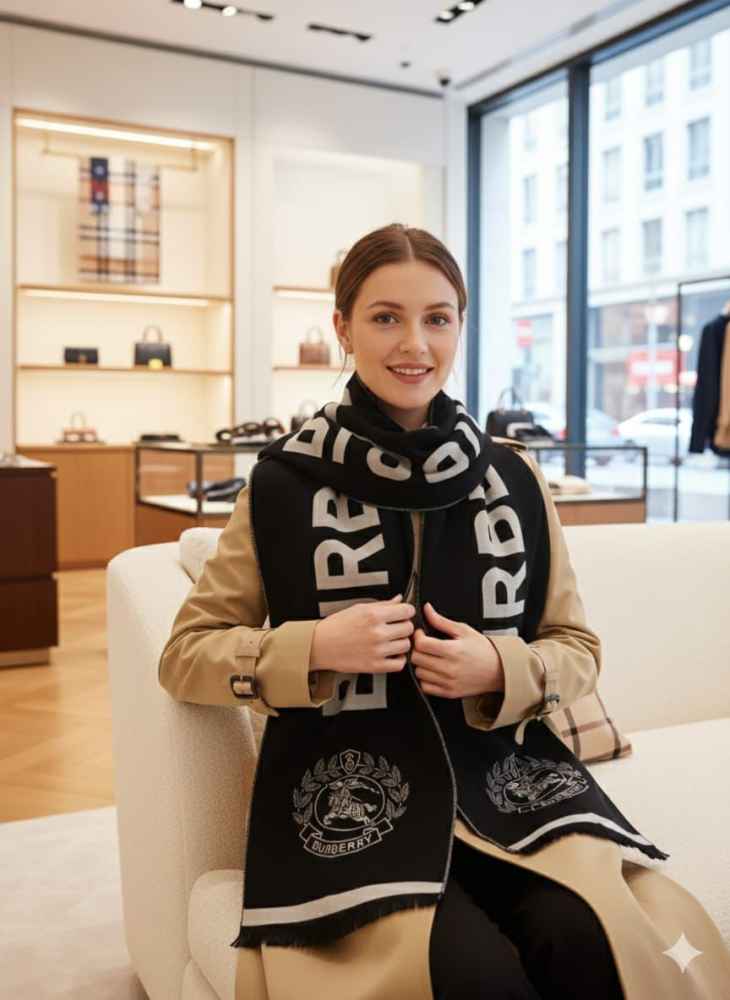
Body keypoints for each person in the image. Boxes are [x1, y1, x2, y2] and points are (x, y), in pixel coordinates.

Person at [158, 224, 730, 1000]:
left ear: (460, 325)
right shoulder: (283, 484)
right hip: (349, 799)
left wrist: (501, 666)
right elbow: (186, 653)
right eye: (385, 318)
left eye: (437, 318)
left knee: (587, 941)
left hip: (510, 783)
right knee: (471, 975)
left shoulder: (515, 479)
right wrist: (315, 647)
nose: (414, 344)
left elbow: (575, 647)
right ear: (343, 329)